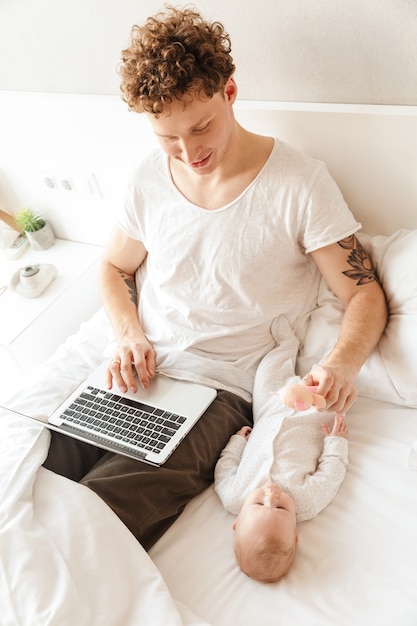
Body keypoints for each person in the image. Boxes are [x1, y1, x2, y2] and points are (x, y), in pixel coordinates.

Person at [43, 5, 387, 551]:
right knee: (32, 478)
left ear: (229, 92)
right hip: (137, 370)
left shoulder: (299, 183)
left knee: (99, 522)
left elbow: (363, 291)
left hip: (219, 390)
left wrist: (340, 363)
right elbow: (113, 267)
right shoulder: (147, 177)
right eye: (168, 137)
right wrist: (128, 333)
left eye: (201, 127)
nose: (189, 152)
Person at [214, 316, 349, 582]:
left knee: (267, 373)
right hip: (312, 420)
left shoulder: (233, 497)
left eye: (259, 503)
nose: (271, 495)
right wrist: (336, 441)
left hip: (268, 412)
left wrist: (238, 441)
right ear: (295, 532)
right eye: (281, 509)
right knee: (332, 393)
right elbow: (331, 473)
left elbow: (226, 466)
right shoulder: (308, 502)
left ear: (237, 521)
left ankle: (287, 344)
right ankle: (329, 350)